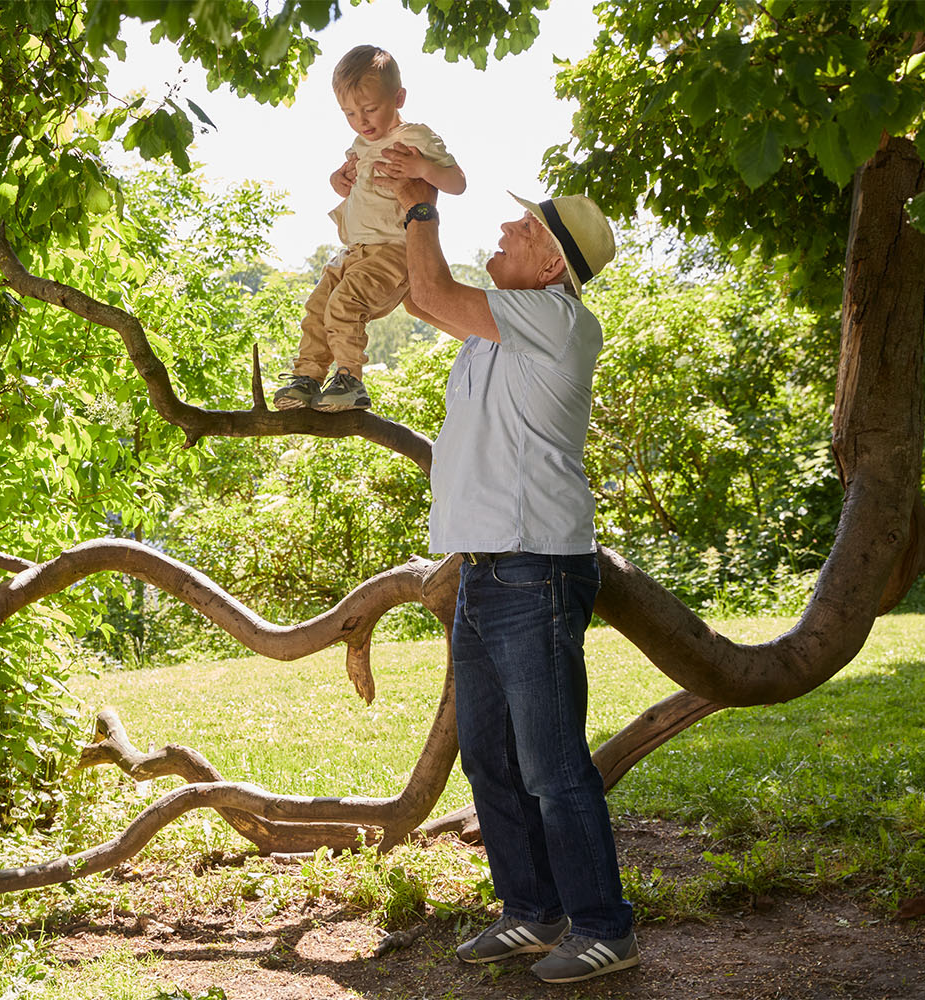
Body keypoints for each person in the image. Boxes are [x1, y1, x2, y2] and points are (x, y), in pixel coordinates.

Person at [378, 162, 640, 984]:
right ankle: (531, 912)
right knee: (488, 756)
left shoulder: (557, 321)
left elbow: (431, 290)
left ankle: (604, 926)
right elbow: (420, 295)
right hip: (487, 573)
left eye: (523, 229)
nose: (503, 231)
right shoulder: (497, 332)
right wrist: (381, 202)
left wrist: (420, 198)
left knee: (552, 762)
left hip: (536, 569)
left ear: (554, 265)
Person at [272, 45, 466, 414]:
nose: (361, 119)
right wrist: (337, 180)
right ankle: (307, 378)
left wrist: (423, 169)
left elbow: (457, 183)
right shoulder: (360, 145)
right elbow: (350, 186)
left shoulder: (417, 138)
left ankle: (349, 379)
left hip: (395, 250)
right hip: (355, 251)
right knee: (317, 307)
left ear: (399, 97)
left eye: (370, 109)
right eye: (349, 113)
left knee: (346, 305)